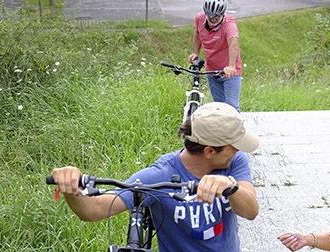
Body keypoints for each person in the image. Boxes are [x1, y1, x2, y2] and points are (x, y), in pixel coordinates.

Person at [51, 102, 260, 251]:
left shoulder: (234, 163)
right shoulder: (158, 175)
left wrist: (230, 186)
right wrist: (70, 187)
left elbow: (251, 211)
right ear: (210, 151)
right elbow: (93, 210)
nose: (238, 151)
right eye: (233, 147)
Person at [188, 0, 243, 112]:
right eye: (210, 17)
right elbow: (198, 33)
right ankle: (222, 129)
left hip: (230, 73)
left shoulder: (229, 24)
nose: (213, 20)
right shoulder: (200, 18)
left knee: (232, 108)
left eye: (216, 17)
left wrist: (231, 66)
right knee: (219, 107)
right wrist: (196, 52)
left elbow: (233, 43)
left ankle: (236, 129)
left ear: (223, 14)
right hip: (212, 71)